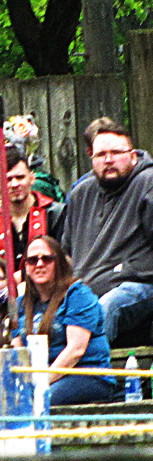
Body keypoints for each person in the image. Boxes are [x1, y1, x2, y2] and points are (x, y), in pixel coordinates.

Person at [61, 118, 153, 345]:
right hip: (84, 290)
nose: (109, 160)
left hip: (136, 285)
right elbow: (66, 255)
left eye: (116, 152)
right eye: (101, 155)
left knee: (106, 307)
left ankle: (89, 375)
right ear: (91, 157)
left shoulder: (147, 183)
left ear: (132, 155)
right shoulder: (80, 193)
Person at [15, 236, 114, 405]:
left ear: (59, 262)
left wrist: (40, 382)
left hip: (87, 375)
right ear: (26, 267)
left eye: (47, 259)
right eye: (32, 260)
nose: (39, 264)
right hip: (43, 379)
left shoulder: (78, 295)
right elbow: (18, 351)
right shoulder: (21, 304)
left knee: (42, 400)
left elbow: (76, 350)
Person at [0, 146, 65, 278]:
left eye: (20, 177)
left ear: (32, 178)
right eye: (8, 179)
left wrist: (21, 277)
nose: (14, 184)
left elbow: (65, 260)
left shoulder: (57, 215)